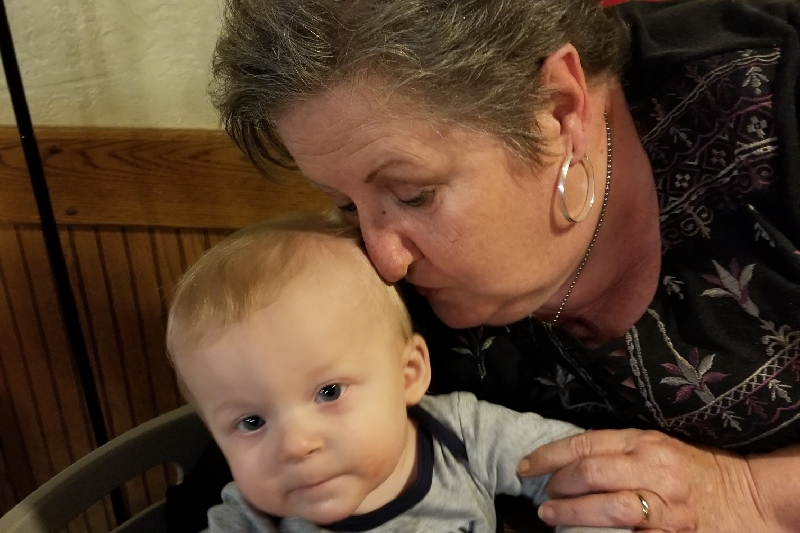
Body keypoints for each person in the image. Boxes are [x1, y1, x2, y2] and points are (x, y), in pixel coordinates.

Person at [198, 0, 800, 531]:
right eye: (345, 205)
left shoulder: (771, 97)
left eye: (413, 194)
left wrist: (750, 493)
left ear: (560, 109)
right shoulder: (365, 277)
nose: (384, 260)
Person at [165, 215, 632, 533]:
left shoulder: (462, 434)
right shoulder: (249, 519)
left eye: (329, 392)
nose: (295, 445)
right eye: (251, 422)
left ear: (409, 373)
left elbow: (582, 473)